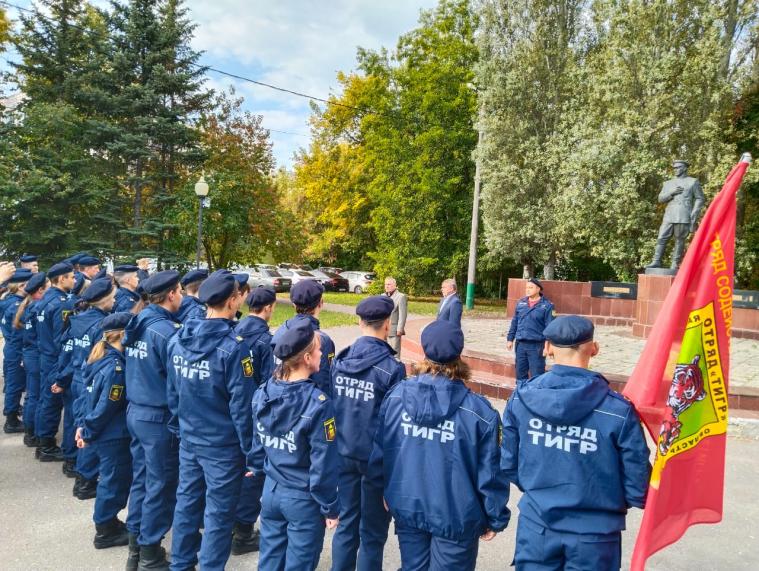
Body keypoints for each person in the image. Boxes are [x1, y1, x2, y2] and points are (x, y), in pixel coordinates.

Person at [501, 315, 651, 571]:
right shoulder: (617, 409)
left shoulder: (522, 399)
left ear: (546, 348)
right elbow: (638, 483)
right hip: (595, 533)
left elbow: (509, 464)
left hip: (538, 526)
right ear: (593, 349)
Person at [368, 320, 510, 571]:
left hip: (408, 505)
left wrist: (384, 490)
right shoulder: (479, 411)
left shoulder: (397, 396)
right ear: (459, 354)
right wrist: (494, 516)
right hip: (456, 515)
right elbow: (490, 472)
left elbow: (381, 450)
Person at [167, 272, 254, 571]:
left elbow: (173, 392)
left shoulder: (179, 339)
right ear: (232, 301)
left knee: (187, 505)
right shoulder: (234, 347)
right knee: (218, 515)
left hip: (191, 439)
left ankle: (180, 564)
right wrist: (251, 452)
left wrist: (179, 427)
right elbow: (242, 408)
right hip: (222, 447)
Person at [249, 322, 340, 571]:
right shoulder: (319, 404)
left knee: (269, 558)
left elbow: (258, 436)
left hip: (272, 490)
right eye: (320, 351)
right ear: (308, 357)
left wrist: (256, 465)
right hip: (302, 497)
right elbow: (323, 464)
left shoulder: (263, 392)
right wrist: (330, 507)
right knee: (300, 563)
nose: (323, 355)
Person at [331, 295, 406, 571]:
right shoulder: (392, 369)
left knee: (347, 525)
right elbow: (394, 427)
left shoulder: (340, 361)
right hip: (375, 463)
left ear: (360, 322)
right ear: (387, 325)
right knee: (373, 534)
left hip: (343, 454)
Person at [123, 270, 183, 571]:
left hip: (136, 411)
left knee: (143, 481)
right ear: (171, 294)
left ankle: (135, 548)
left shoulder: (137, 323)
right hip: (157, 417)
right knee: (160, 485)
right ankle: (149, 553)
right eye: (180, 291)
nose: (182, 296)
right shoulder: (166, 332)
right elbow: (176, 385)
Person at [76, 311, 134, 549]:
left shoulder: (99, 358)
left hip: (102, 432)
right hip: (112, 434)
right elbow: (106, 406)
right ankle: (105, 530)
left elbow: (84, 399)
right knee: (114, 481)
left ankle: (108, 521)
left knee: (111, 478)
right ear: (122, 334)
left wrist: (82, 426)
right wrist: (88, 431)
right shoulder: (115, 368)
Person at [57, 278, 116, 498]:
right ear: (104, 299)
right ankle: (85, 481)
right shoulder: (102, 325)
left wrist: (62, 376)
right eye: (113, 296)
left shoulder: (78, 319)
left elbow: (66, 348)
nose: (116, 299)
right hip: (92, 380)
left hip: (77, 377)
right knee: (91, 430)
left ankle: (77, 468)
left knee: (77, 423)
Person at [231, 286, 277, 555]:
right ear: (269, 308)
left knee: (232, 470)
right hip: (252, 413)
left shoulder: (235, 329)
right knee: (252, 470)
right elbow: (267, 383)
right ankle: (244, 531)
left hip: (230, 410)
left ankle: (231, 524)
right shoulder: (264, 340)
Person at [35, 262, 77, 462]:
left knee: (46, 401)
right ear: (61, 279)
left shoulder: (44, 299)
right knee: (52, 403)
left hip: (45, 355)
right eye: (71, 277)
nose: (74, 280)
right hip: (56, 359)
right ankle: (46, 447)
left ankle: (43, 442)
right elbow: (63, 337)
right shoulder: (62, 303)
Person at [271, 280, 336, 395]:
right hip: (308, 406)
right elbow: (324, 383)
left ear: (294, 305)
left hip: (279, 399)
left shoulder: (281, 331)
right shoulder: (321, 340)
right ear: (321, 303)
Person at [647, 160, 706, 270]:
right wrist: (672, 192)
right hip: (669, 215)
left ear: (684, 168)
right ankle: (656, 261)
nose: (675, 169)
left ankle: (675, 264)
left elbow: (700, 198)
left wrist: (694, 214)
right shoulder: (668, 183)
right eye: (674, 168)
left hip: (684, 215)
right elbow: (660, 199)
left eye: (678, 167)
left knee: (679, 240)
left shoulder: (692, 182)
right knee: (661, 237)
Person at [16, 271, 48, 446]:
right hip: (36, 355)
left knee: (32, 395)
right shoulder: (37, 307)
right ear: (40, 291)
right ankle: (32, 433)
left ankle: (30, 431)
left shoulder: (29, 306)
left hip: (30, 354)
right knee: (36, 396)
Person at [2, 268, 33, 433]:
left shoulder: (7, 300)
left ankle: (12, 416)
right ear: (22, 286)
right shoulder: (17, 305)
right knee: (15, 385)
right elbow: (24, 334)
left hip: (12, 347)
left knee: (14, 384)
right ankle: (11, 421)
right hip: (17, 348)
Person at [506, 278, 555, 382]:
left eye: (531, 287)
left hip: (537, 346)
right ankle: (520, 395)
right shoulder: (521, 303)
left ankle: (535, 397)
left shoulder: (547, 305)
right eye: (527, 287)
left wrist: (547, 347)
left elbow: (549, 328)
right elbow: (515, 322)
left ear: (538, 289)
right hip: (521, 344)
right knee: (520, 374)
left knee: (537, 376)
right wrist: (510, 339)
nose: (528, 290)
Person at [384, 277, 408, 359]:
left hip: (394, 330)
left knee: (394, 353)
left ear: (395, 285)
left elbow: (403, 315)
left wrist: (400, 329)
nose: (387, 286)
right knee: (384, 352)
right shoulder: (382, 296)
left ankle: (396, 370)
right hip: (383, 329)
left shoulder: (401, 297)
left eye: (389, 284)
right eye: (385, 284)